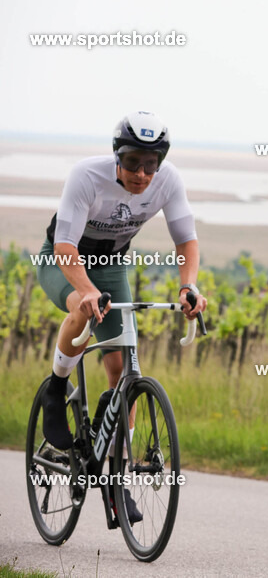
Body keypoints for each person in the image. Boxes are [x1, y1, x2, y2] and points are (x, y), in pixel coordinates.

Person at [37, 111, 208, 523]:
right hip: (66, 259)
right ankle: (56, 390)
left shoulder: (168, 181)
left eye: (151, 164)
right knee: (82, 305)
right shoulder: (86, 176)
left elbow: (185, 238)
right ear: (117, 156)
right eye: (133, 162)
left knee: (123, 368)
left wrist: (189, 286)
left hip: (111, 264)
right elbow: (65, 246)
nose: (142, 174)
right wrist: (89, 290)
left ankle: (115, 476)